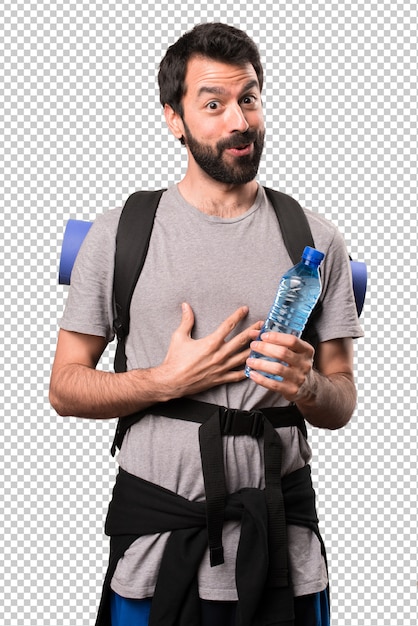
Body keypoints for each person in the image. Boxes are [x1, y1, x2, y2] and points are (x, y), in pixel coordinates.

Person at [50, 22, 363, 626]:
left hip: (281, 547)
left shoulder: (316, 241)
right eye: (212, 104)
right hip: (156, 549)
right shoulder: (121, 233)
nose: (238, 121)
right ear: (175, 118)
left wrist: (309, 387)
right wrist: (165, 380)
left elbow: (342, 400)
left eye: (248, 98)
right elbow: (64, 387)